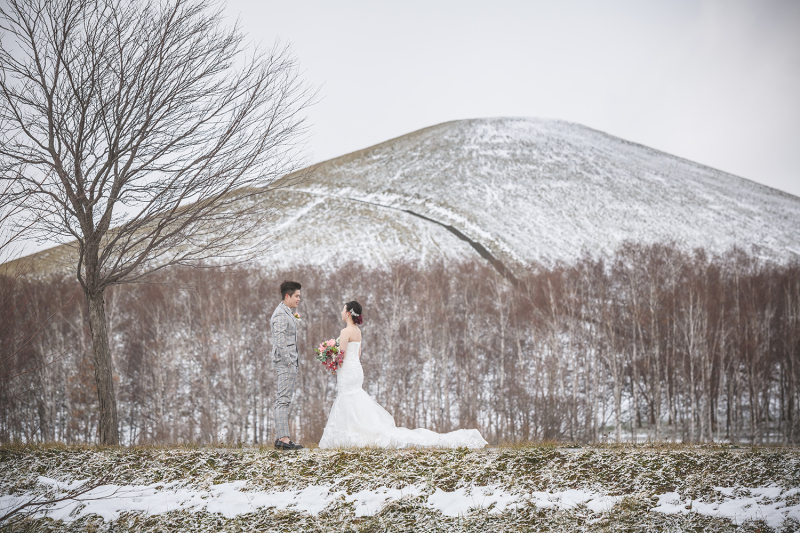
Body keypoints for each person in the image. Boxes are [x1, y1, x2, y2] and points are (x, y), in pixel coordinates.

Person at [318, 300, 487, 449]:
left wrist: (329, 357)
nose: (341, 312)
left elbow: (342, 355)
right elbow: (358, 354)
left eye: (343, 310)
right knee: (354, 399)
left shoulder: (345, 332)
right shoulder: (358, 331)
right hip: (356, 369)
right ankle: (356, 432)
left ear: (348, 313)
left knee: (348, 399)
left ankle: (351, 433)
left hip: (347, 370)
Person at [271, 280, 304, 450]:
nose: (299, 299)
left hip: (290, 362)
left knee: (284, 400)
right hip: (286, 363)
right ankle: (283, 439)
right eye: (296, 296)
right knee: (282, 400)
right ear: (287, 296)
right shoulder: (280, 314)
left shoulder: (287, 312)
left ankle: (283, 438)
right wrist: (289, 362)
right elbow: (280, 340)